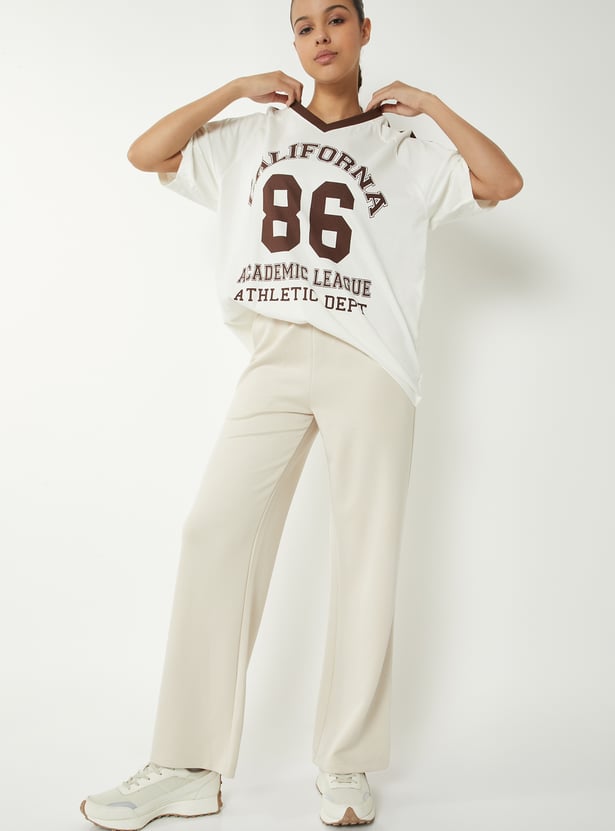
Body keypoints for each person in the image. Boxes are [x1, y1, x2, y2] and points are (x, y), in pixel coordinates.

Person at [80, 0, 523, 827]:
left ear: (364, 31)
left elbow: (500, 182)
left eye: (335, 19)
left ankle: (345, 764)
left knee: (365, 554)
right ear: (292, 40)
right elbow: (147, 153)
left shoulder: (405, 147)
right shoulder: (254, 133)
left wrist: (431, 106)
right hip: (274, 356)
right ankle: (187, 764)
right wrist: (233, 88)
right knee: (213, 531)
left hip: (370, 362)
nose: (319, 36)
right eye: (303, 25)